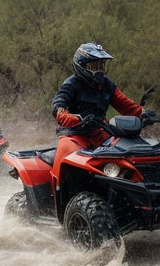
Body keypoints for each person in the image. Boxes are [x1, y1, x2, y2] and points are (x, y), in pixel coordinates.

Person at [50, 42, 152, 181]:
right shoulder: (72, 83)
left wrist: (143, 113)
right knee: (67, 156)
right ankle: (58, 190)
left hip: (100, 132)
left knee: (126, 153)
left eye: (100, 65)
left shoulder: (106, 83)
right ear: (83, 66)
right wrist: (65, 116)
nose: (98, 70)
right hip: (74, 133)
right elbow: (58, 103)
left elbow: (124, 104)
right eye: (94, 66)